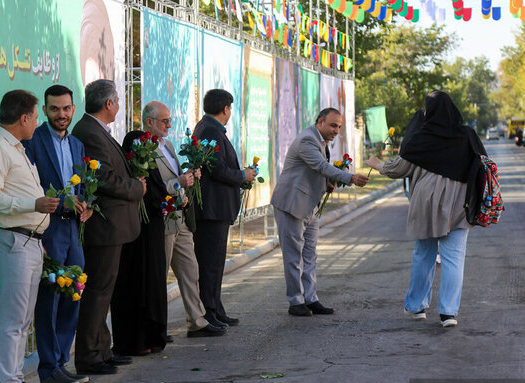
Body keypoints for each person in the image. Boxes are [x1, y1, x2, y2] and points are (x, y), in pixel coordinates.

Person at [365, 91, 484, 328]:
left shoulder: (422, 136)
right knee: (454, 259)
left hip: (426, 204)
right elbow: (481, 163)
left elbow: (399, 169)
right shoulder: (467, 135)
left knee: (424, 255)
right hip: (459, 205)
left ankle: (418, 306)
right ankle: (449, 313)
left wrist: (378, 165)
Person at [0, 90, 59, 383]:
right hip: (11, 240)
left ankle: (16, 378)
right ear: (23, 118)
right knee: (12, 318)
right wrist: (33, 204)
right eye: (36, 116)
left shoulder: (17, 148)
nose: (37, 122)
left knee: (23, 319)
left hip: (29, 242)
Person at [71, 79, 147, 375]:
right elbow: (103, 178)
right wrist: (135, 187)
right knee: (98, 291)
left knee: (104, 290)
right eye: (117, 101)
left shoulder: (96, 130)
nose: (118, 106)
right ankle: (89, 356)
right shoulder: (89, 132)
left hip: (111, 226)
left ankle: (102, 349)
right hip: (103, 228)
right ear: (108, 104)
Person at [22, 85, 92, 383]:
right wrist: (59, 202)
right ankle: (48, 367)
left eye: (65, 109)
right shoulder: (33, 142)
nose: (60, 115)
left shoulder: (77, 145)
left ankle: (62, 361)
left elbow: (83, 184)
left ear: (73, 109)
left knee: (74, 292)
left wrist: (86, 203)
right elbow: (27, 187)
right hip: (47, 229)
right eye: (54, 109)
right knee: (49, 298)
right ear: (46, 111)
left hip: (73, 231)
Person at [271, 108, 369, 317]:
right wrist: (349, 178)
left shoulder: (321, 141)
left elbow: (317, 171)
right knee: (293, 256)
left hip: (310, 205)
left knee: (310, 255)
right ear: (320, 122)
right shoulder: (307, 140)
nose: (337, 131)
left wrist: (328, 184)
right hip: (292, 204)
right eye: (333, 125)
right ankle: (296, 301)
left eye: (340, 127)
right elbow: (320, 165)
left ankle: (311, 298)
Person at [142, 101, 225, 338]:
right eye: (164, 121)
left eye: (169, 120)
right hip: (164, 220)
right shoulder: (144, 148)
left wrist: (187, 183)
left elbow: (177, 180)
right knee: (159, 275)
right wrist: (179, 182)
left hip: (181, 218)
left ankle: (197, 321)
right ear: (150, 122)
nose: (169, 125)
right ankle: (156, 326)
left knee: (191, 270)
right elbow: (154, 187)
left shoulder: (167, 144)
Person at [192, 89, 256, 329]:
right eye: (231, 109)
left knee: (216, 263)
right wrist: (242, 175)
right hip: (212, 210)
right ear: (226, 108)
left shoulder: (210, 128)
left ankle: (216, 309)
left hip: (216, 209)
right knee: (209, 264)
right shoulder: (210, 129)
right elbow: (216, 169)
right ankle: (208, 312)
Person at [108, 129, 169, 356]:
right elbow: (156, 194)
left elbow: (157, 193)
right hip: (137, 232)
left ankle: (149, 337)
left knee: (148, 283)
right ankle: (139, 339)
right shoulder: (132, 171)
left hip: (145, 231)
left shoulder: (145, 168)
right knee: (138, 285)